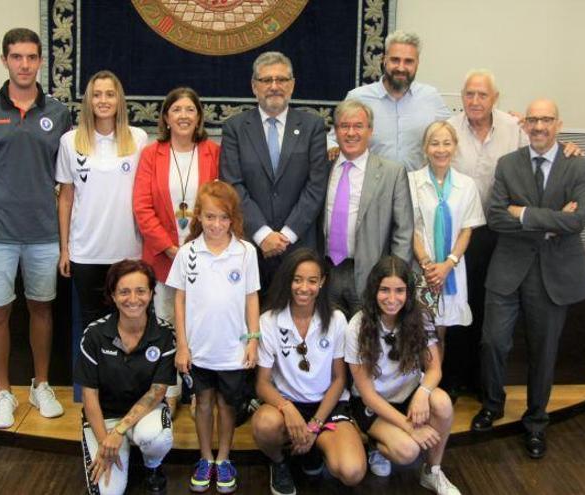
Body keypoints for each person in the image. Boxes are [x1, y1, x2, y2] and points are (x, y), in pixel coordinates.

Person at [0, 27, 72, 429]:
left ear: (41, 61)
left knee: (41, 309)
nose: (24, 64)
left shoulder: (59, 113)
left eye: (31, 57)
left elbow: (67, 174)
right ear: (4, 60)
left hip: (43, 232)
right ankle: (3, 392)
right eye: (16, 57)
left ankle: (41, 385)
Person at [445, 70, 581, 397]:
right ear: (461, 97)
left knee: (484, 308)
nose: (475, 101)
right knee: (457, 305)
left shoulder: (513, 127)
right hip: (459, 231)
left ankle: (481, 383)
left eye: (482, 95)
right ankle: (452, 380)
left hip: (500, 233)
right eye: (469, 94)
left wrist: (567, 150)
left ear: (496, 98)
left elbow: (540, 148)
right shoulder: (449, 128)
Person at [472, 99, 585, 460]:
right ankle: (492, 405)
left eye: (547, 119)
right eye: (534, 120)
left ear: (559, 123)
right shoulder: (508, 164)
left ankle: (537, 422)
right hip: (508, 269)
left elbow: (577, 221)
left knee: (544, 351)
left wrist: (522, 213)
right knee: (493, 343)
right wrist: (551, 219)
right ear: (524, 125)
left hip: (552, 275)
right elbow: (495, 217)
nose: (539, 126)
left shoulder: (580, 166)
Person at [166, 181, 260, 493]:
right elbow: (178, 300)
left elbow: (251, 299)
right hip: (198, 350)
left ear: (233, 219)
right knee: (202, 403)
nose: (216, 224)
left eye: (223, 218)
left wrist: (253, 339)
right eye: (209, 217)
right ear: (198, 217)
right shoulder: (187, 253)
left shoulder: (246, 253)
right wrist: (182, 344)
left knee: (228, 404)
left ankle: (223, 459)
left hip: (232, 350)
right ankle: (205, 457)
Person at [252, 248, 366, 495]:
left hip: (326, 407)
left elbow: (339, 380)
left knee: (352, 471)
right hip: (287, 406)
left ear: (322, 282)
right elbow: (262, 384)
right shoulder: (269, 320)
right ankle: (280, 463)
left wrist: (315, 425)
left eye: (312, 281)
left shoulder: (336, 319)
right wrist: (287, 407)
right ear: (288, 280)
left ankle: (314, 449)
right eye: (297, 279)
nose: (304, 288)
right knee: (264, 424)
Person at [134, 86, 219, 414]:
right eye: (177, 110)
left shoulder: (213, 152)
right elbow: (142, 207)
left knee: (201, 322)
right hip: (163, 257)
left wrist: (196, 245)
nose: (184, 116)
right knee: (167, 322)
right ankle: (169, 388)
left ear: (199, 118)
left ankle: (199, 388)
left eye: (190, 110)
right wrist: (169, 247)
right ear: (166, 118)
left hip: (205, 254)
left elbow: (221, 204)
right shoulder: (150, 154)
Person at [346, 256, 460, 495]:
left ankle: (432, 471)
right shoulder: (357, 325)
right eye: (384, 290)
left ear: (408, 292)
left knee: (442, 403)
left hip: (408, 395)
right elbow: (367, 395)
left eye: (399, 291)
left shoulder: (421, 317)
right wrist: (411, 428)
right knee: (408, 451)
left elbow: (434, 368)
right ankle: (376, 445)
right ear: (374, 290)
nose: (392, 298)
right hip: (373, 405)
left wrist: (423, 393)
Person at [219, 51, 330, 291]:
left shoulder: (313, 127)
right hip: (250, 246)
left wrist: (287, 235)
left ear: (292, 85)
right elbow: (233, 185)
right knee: (251, 321)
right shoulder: (234, 128)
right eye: (266, 80)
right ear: (254, 86)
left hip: (299, 247)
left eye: (281, 79)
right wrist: (262, 234)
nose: (274, 86)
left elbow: (316, 185)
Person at [74, 259, 175, 494]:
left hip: (144, 415)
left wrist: (120, 431)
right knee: (109, 491)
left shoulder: (163, 334)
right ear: (112, 294)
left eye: (141, 291)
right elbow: (89, 396)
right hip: (104, 419)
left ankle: (152, 466)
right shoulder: (94, 335)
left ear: (151, 293)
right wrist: (105, 442)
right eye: (124, 292)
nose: (133, 299)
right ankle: (120, 450)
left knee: (155, 438)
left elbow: (158, 391)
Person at [56, 70, 147, 328]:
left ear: (119, 100)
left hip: (127, 250)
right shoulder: (70, 142)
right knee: (90, 321)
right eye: (97, 95)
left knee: (128, 320)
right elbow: (65, 199)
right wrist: (65, 249)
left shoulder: (137, 138)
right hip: (86, 252)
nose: (103, 100)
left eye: (109, 94)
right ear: (88, 100)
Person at [322, 98, 414, 316]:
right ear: (335, 132)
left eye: (358, 126)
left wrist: (394, 279)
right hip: (326, 272)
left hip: (370, 274)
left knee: (366, 342)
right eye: (344, 126)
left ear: (370, 131)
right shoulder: (322, 167)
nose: (351, 133)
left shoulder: (392, 173)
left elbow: (404, 231)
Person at [408, 121, 485, 359]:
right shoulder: (411, 181)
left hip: (451, 269)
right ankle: (416, 385)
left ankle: (435, 385)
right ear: (425, 148)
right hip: (423, 269)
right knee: (419, 330)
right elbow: (411, 228)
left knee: (441, 332)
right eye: (434, 143)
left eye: (446, 143)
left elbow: (467, 229)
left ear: (455, 147)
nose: (441, 149)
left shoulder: (467, 185)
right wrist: (428, 266)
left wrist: (447, 265)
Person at [329, 30, 451, 171]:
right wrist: (333, 148)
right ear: (384, 60)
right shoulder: (358, 98)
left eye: (408, 61)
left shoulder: (431, 97)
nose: (401, 67)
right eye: (395, 60)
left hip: (417, 188)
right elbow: (333, 139)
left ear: (417, 63)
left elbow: (451, 137)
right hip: (371, 187)